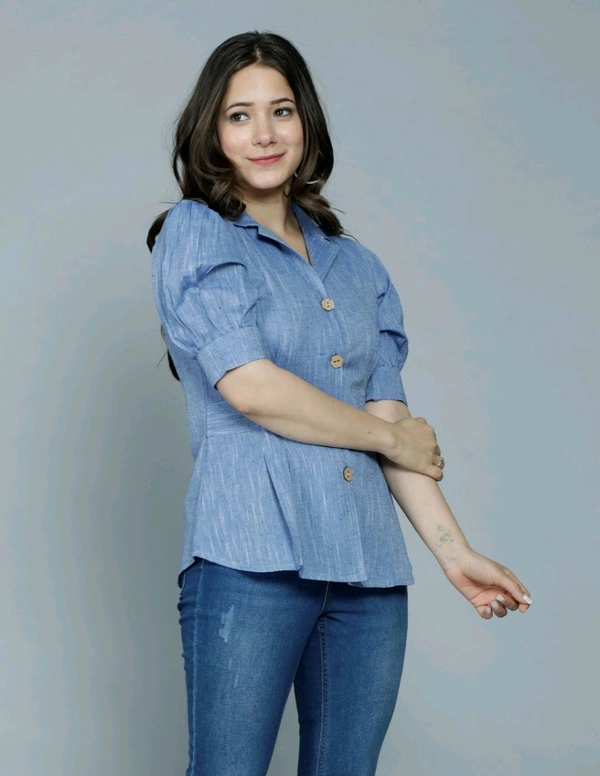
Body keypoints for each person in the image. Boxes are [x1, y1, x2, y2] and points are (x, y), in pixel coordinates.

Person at [147, 30, 532, 776]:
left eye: (282, 110)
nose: (264, 134)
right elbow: (252, 388)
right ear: (211, 132)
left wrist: (454, 553)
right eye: (239, 115)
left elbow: (390, 417)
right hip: (250, 561)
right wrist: (390, 440)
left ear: (307, 123)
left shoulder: (356, 265)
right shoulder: (195, 233)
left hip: (368, 572)